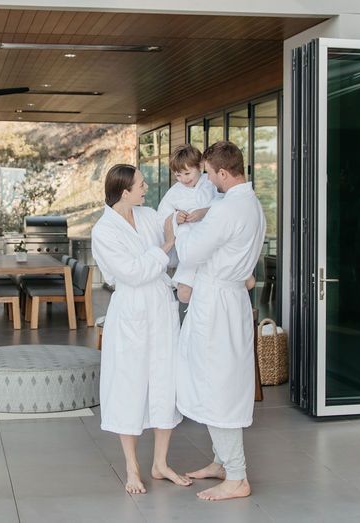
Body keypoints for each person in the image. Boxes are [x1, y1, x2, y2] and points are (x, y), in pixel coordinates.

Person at [167, 141, 266, 502]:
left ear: (223, 173)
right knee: (218, 378)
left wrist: (184, 222)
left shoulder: (225, 211)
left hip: (217, 303)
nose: (207, 179)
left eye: (209, 173)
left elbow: (191, 252)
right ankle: (222, 462)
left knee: (218, 384)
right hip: (231, 298)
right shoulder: (254, 205)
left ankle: (237, 477)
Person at [91, 164, 193, 495]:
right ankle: (132, 467)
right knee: (130, 383)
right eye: (140, 183)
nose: (146, 186)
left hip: (161, 308)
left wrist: (177, 224)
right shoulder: (103, 231)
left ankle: (160, 463)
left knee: (166, 380)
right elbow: (133, 273)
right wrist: (164, 245)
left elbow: (172, 232)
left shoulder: (147, 214)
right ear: (124, 191)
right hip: (132, 309)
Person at [156, 144, 219, 304]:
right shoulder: (174, 192)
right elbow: (162, 217)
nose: (184, 179)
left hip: (213, 245)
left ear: (200, 166)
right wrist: (176, 217)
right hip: (189, 245)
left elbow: (224, 207)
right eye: (178, 175)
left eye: (187, 173)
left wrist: (204, 212)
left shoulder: (211, 184)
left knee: (211, 286)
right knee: (184, 294)